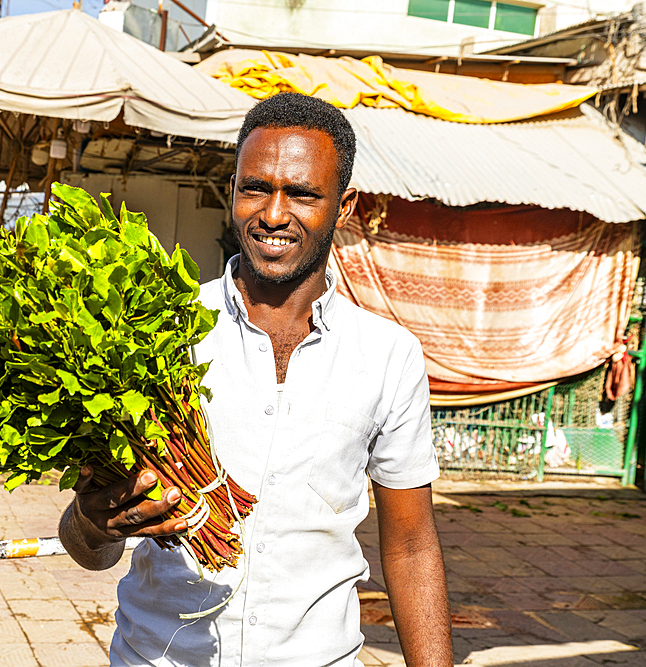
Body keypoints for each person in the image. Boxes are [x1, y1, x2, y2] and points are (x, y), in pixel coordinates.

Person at [58, 93, 451, 667]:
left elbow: (413, 548)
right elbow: (85, 547)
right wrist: (94, 526)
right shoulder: (156, 335)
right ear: (233, 190)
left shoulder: (388, 357)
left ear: (344, 207)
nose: (272, 213)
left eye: (302, 193)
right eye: (255, 188)